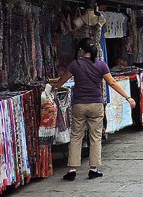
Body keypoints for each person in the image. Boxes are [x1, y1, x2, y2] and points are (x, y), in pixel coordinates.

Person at [51, 37, 135, 181]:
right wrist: (128, 97)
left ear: (81, 51)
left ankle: (72, 169)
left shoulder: (75, 64)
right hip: (96, 104)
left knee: (76, 136)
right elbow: (112, 83)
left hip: (79, 104)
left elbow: (62, 80)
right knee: (95, 137)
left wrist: (54, 88)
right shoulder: (101, 65)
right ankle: (93, 169)